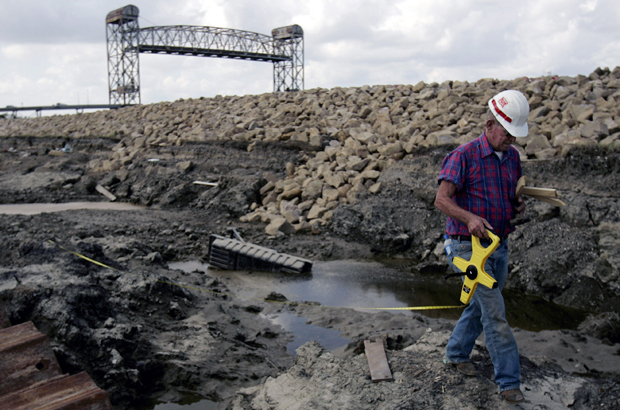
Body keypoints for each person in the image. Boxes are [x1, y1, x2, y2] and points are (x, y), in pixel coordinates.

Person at [434, 89, 529, 404]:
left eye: (515, 134)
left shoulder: (512, 158)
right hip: (465, 247)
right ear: (490, 124)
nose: (511, 139)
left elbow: (507, 200)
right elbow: (441, 200)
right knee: (495, 312)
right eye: (507, 132)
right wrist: (469, 218)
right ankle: (509, 382)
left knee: (479, 305)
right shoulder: (464, 155)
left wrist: (516, 208)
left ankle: (456, 353)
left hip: (497, 247)